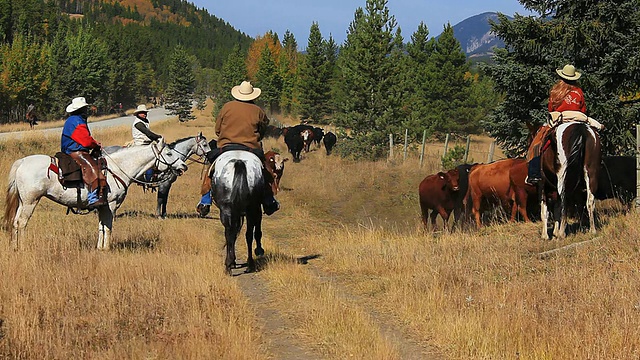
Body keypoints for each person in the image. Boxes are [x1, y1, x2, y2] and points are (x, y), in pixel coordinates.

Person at [197, 81, 280, 215]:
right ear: (252, 96)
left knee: (211, 169)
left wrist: (226, 136)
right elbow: (263, 131)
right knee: (265, 171)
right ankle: (269, 201)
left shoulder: (227, 107)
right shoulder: (259, 111)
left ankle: (205, 201)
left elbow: (217, 129)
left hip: (227, 146)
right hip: (251, 147)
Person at [525, 64, 604, 185]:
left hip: (561, 118)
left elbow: (551, 108)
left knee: (537, 143)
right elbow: (583, 109)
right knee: (596, 133)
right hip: (579, 118)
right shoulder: (579, 91)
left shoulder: (556, 91)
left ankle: (534, 174)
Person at [61, 97, 107, 208]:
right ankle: (92, 198)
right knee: (91, 167)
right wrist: (95, 145)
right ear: (80, 109)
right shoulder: (76, 121)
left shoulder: (76, 119)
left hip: (76, 149)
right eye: (85, 108)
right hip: (75, 151)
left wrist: (95, 143)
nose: (86, 110)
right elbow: (85, 141)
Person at [131, 104, 162, 182]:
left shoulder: (145, 121)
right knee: (148, 160)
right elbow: (148, 133)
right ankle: (148, 179)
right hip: (140, 144)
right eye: (142, 113)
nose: (144, 114)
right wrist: (158, 137)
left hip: (148, 144)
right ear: (138, 114)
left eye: (145, 112)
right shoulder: (138, 123)